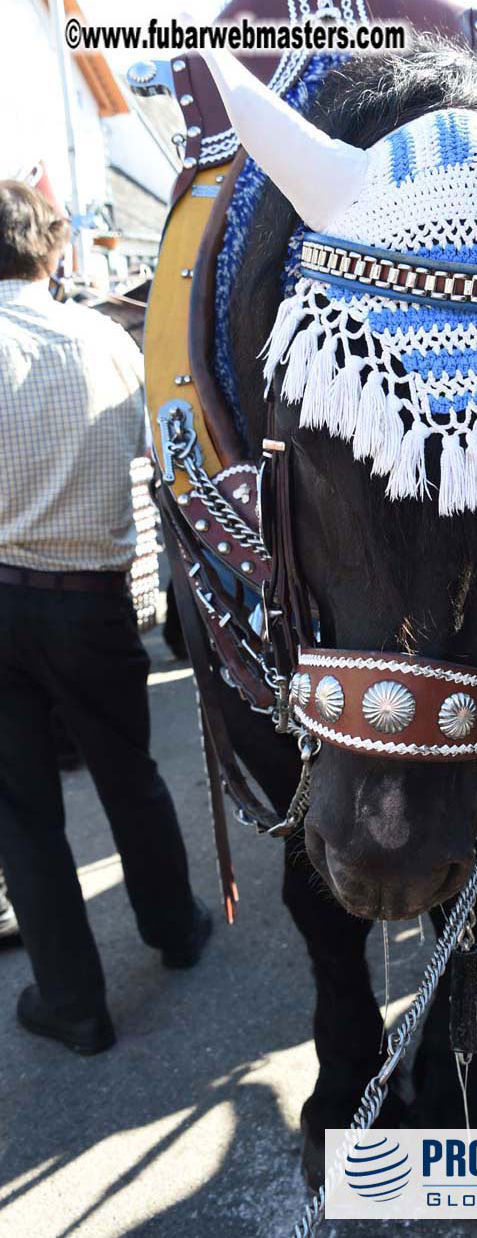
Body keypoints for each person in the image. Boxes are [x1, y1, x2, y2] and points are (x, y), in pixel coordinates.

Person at [0, 181, 211, 1056]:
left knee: (21, 811)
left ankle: (74, 1002)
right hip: (90, 597)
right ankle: (175, 927)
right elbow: (162, 456)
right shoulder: (102, 338)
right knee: (130, 773)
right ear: (54, 249)